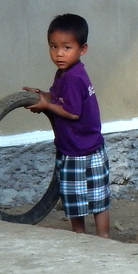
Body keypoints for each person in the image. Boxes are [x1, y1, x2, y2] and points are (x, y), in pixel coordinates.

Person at [23, 13, 110, 238]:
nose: (59, 53)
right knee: (97, 195)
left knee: (76, 198)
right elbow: (60, 98)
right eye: (53, 46)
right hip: (90, 145)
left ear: (83, 49)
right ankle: (103, 237)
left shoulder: (72, 77)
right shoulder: (68, 72)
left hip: (77, 152)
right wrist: (43, 95)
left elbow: (71, 112)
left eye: (67, 47)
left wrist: (46, 105)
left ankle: (81, 236)